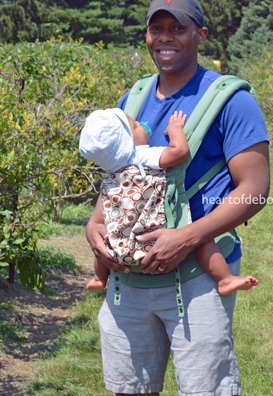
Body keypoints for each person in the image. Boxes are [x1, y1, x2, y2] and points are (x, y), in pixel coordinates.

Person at [85, 0, 270, 396]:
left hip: (194, 276)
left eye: (178, 28)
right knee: (133, 390)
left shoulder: (231, 99)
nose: (165, 38)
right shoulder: (137, 97)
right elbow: (120, 174)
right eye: (156, 29)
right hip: (129, 277)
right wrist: (94, 225)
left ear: (201, 36)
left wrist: (185, 237)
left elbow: (255, 191)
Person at [79, 107, 258, 295]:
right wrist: (174, 128)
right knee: (203, 241)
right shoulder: (142, 156)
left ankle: (99, 278)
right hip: (158, 238)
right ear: (127, 143)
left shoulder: (112, 173)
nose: (140, 123)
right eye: (134, 125)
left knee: (107, 240)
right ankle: (225, 280)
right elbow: (179, 151)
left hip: (124, 246)